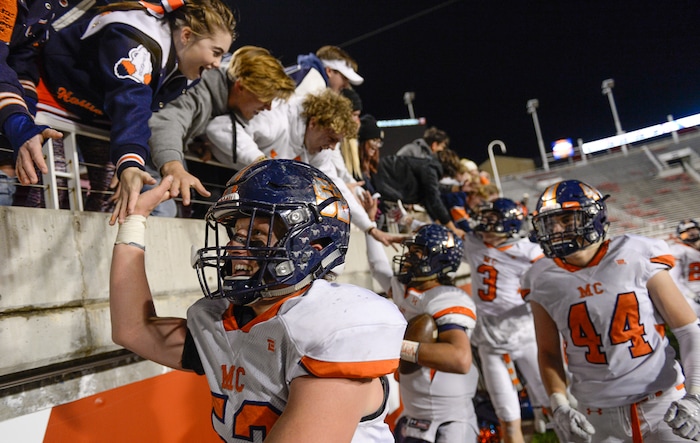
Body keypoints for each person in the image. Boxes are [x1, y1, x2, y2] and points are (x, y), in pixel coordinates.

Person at [109, 158, 407, 442]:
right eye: (236, 236)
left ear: (313, 246)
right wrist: (135, 221)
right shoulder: (226, 321)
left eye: (256, 239)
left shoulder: (331, 326)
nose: (233, 249)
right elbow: (132, 329)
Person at [522, 179, 700, 442]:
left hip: (663, 405)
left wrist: (695, 395)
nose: (556, 230)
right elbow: (548, 352)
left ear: (593, 217)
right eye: (550, 223)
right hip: (595, 415)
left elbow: (687, 330)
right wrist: (559, 402)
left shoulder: (637, 253)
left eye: (566, 220)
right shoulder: (541, 277)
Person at [38, 0, 236, 222]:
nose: (218, 64)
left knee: (107, 194)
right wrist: (130, 161)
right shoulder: (137, 39)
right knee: (46, 189)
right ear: (187, 36)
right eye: (216, 52)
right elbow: (132, 102)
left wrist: (127, 159)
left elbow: (145, 110)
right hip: (55, 91)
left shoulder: (188, 68)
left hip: (102, 109)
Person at [206, 88, 399, 246]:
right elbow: (219, 128)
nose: (331, 147)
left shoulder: (320, 149)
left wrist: (369, 227)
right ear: (314, 123)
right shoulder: (279, 120)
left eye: (336, 142)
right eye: (331, 139)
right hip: (220, 189)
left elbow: (334, 188)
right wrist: (260, 161)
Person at [365, 223, 479, 442]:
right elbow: (377, 266)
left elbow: (460, 358)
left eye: (416, 252)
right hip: (413, 413)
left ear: (440, 260)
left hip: (449, 419)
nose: (407, 257)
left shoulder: (446, 298)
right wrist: (370, 228)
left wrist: (395, 346)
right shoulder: (406, 288)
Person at [148, 45, 296, 206]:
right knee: (164, 209)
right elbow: (166, 121)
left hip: (150, 154)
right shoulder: (198, 88)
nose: (268, 107)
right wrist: (173, 167)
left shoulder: (221, 102)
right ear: (241, 87)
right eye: (265, 98)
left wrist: (194, 142)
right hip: (138, 152)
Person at [461, 198, 549, 443]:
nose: (485, 223)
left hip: (526, 337)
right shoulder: (473, 243)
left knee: (556, 403)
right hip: (491, 345)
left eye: (492, 219)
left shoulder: (529, 252)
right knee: (508, 420)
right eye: (485, 217)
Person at [371, 150, 467, 238]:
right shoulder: (430, 169)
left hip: (378, 185)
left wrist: (441, 223)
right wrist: (452, 228)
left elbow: (431, 193)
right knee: (374, 226)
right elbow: (434, 199)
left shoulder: (427, 166)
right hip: (376, 184)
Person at [669, 219, 700, 317]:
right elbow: (673, 279)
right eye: (686, 231)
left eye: (693, 229)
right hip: (691, 297)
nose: (691, 233)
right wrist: (692, 295)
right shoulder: (679, 250)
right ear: (680, 235)